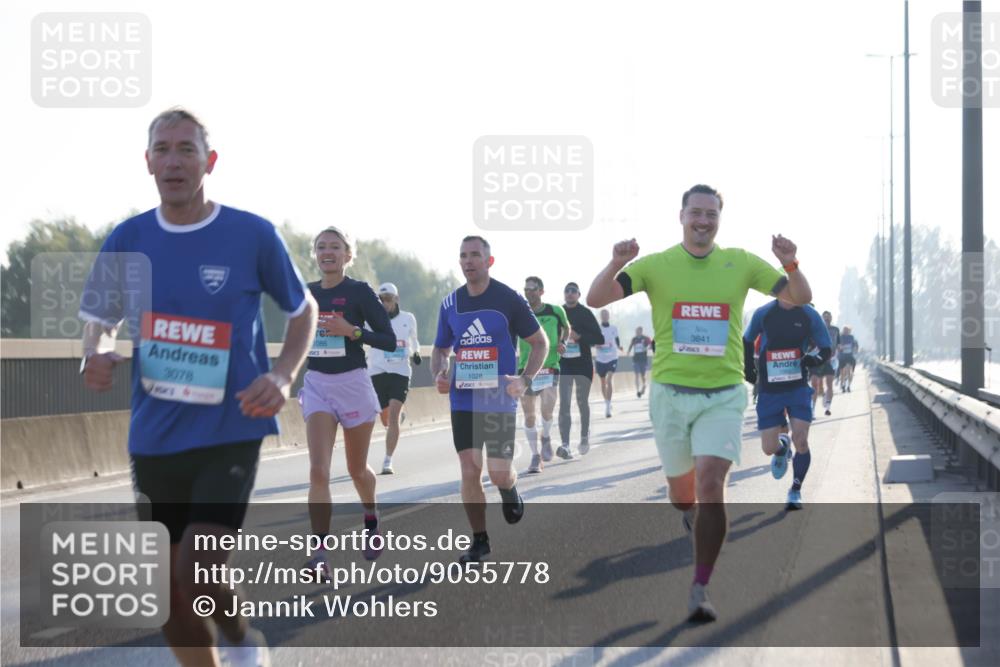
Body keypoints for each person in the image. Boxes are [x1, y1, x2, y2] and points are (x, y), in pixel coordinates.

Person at [80, 108, 317, 667]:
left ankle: (236, 644)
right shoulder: (129, 238)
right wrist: (94, 352)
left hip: (232, 425)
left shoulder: (251, 234)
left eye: (186, 149)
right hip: (155, 436)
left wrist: (281, 374)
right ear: (147, 163)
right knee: (172, 597)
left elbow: (302, 309)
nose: (173, 160)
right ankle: (239, 642)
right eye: (162, 149)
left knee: (196, 569)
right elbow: (98, 316)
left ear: (209, 162)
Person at [586, 184, 812, 623]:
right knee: (682, 495)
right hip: (670, 394)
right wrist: (617, 262)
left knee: (711, 485)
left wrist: (790, 261)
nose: (703, 221)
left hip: (724, 393)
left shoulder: (741, 263)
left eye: (711, 214)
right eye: (696, 213)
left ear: (719, 220)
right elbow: (596, 299)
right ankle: (688, 516)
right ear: (682, 216)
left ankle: (700, 586)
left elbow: (798, 297)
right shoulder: (656, 265)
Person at [432, 236, 547, 563]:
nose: (469, 261)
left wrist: (525, 379)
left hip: (498, 397)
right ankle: (479, 541)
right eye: (463, 256)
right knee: (469, 468)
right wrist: (440, 373)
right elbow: (440, 348)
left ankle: (508, 489)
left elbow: (540, 343)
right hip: (463, 398)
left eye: (475, 255)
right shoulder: (450, 304)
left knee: (497, 473)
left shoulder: (507, 298)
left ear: (489, 261)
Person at [301, 227, 397, 575]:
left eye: (335, 247)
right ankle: (319, 555)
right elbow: (296, 336)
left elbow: (388, 340)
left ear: (347, 255)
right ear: (315, 254)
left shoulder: (359, 292)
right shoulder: (307, 294)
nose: (328, 252)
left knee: (356, 470)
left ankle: (371, 518)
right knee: (318, 470)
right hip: (317, 385)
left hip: (354, 384)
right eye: (321, 247)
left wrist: (352, 331)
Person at [743, 300, 831, 510]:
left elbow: (826, 347)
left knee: (801, 440)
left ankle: (795, 490)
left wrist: (812, 360)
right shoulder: (763, 312)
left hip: (797, 387)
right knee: (768, 448)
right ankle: (782, 449)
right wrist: (748, 368)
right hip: (770, 389)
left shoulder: (809, 314)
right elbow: (747, 339)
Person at [367, 282, 422, 474]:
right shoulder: (371, 319)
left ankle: (387, 460)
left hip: (400, 372)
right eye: (380, 299)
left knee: (393, 417)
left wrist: (416, 353)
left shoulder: (408, 318)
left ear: (396, 299)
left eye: (388, 299)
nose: (384, 303)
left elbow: (414, 340)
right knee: (385, 420)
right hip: (377, 370)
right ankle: (396, 418)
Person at [518, 276, 571, 471]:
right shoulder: (520, 312)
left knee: (547, 410)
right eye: (526, 289)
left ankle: (546, 436)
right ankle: (535, 456)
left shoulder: (555, 311)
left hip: (549, 366)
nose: (528, 292)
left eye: (532, 289)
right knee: (529, 416)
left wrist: (563, 342)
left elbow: (567, 327)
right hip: (526, 368)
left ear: (541, 291)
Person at [558, 282, 604, 456]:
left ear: (578, 295)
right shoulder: (559, 312)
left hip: (583, 364)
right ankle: (565, 444)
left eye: (573, 291)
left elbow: (599, 338)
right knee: (564, 403)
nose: (569, 294)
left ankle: (584, 436)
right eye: (567, 291)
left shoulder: (585, 313)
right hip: (565, 364)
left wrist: (580, 337)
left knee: (582, 401)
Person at [809, 310, 841, 416]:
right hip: (817, 360)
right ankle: (812, 409)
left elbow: (838, 344)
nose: (827, 318)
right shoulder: (815, 329)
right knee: (814, 384)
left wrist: (837, 352)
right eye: (825, 317)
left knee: (830, 384)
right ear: (821, 318)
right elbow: (809, 344)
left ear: (831, 318)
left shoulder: (835, 330)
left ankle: (828, 406)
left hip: (829, 360)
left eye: (829, 317)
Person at [594, 309, 623, 417]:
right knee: (603, 383)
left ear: (609, 316)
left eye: (606, 314)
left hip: (612, 357)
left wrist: (619, 346)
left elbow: (617, 339)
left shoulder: (613, 328)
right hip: (600, 359)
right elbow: (593, 341)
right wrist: (595, 345)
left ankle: (608, 407)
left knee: (609, 380)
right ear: (601, 316)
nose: (605, 316)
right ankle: (606, 402)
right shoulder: (597, 329)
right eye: (603, 314)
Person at [627, 326, 654, 397]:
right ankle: (638, 390)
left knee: (643, 375)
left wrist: (647, 348)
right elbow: (630, 346)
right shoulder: (634, 339)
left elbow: (651, 345)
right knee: (636, 375)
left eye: (638, 331)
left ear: (641, 331)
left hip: (643, 359)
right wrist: (628, 352)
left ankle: (644, 385)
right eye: (636, 331)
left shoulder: (646, 338)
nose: (637, 332)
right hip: (636, 359)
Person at [838, 326, 858, 392]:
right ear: (843, 330)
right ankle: (843, 385)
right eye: (845, 330)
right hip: (842, 356)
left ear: (849, 331)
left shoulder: (851, 337)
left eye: (847, 330)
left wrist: (855, 348)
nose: (846, 331)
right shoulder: (840, 337)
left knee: (850, 371)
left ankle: (848, 386)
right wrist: (840, 347)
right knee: (842, 373)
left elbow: (855, 345)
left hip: (849, 356)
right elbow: (837, 346)